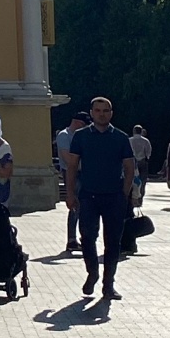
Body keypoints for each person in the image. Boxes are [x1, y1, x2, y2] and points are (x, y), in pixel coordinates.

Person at [64, 94, 136, 304]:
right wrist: (70, 193)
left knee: (113, 242)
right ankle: (93, 272)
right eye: (98, 110)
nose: (102, 114)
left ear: (111, 114)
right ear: (92, 113)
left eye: (105, 111)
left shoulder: (121, 137)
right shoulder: (81, 136)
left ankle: (108, 284)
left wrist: (124, 193)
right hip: (89, 195)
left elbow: (129, 168)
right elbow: (72, 166)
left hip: (114, 196)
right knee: (87, 237)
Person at [54, 110, 88, 255]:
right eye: (84, 124)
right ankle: (72, 239)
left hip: (83, 173)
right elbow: (68, 159)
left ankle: (83, 238)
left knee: (86, 206)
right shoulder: (64, 135)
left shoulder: (82, 136)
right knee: (74, 206)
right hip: (71, 173)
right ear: (78, 122)